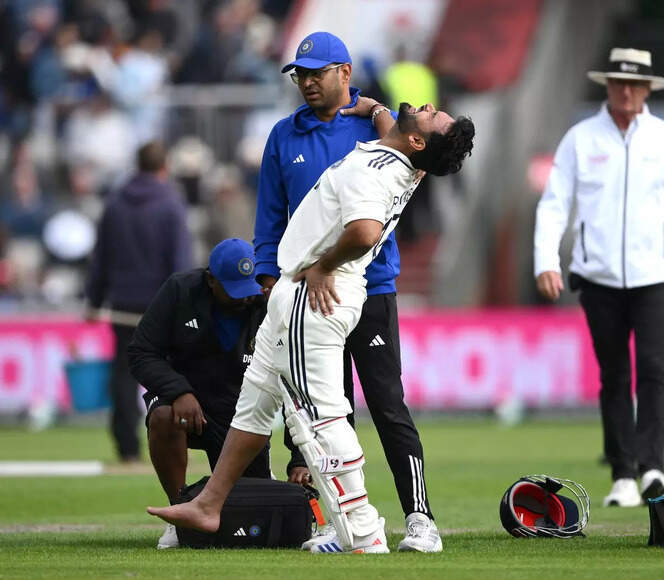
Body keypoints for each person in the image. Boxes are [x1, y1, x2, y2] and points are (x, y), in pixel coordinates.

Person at [147, 103, 475, 554]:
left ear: (417, 139)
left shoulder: (376, 171)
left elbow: (364, 231)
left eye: (433, 116)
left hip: (316, 294)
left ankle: (363, 531)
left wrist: (323, 265)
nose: (428, 106)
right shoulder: (403, 157)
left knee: (323, 417)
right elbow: (393, 130)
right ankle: (210, 503)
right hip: (302, 291)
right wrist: (375, 108)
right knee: (254, 405)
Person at [251, 30, 442, 552]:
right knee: (324, 412)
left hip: (371, 286)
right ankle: (340, 524)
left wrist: (377, 110)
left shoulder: (377, 125)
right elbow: (270, 217)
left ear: (345, 73)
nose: (307, 82)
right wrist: (269, 281)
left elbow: (415, 159)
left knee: (387, 404)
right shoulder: (283, 136)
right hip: (307, 293)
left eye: (318, 73)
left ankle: (420, 519)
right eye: (301, 75)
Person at [533, 48, 664, 507]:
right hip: (598, 277)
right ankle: (623, 475)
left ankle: (653, 467)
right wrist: (545, 261)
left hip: (655, 274)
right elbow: (554, 203)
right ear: (608, 85)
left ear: (648, 89)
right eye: (620, 82)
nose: (628, 91)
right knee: (614, 374)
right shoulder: (581, 139)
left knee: (653, 369)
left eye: (636, 84)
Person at [128, 238, 271, 550]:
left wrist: (298, 459)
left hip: (240, 413)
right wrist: (179, 391)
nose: (244, 298)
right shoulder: (179, 291)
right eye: (233, 290)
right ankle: (180, 512)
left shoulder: (265, 299)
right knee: (164, 415)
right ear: (210, 280)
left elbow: (293, 378)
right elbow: (141, 352)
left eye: (248, 289)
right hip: (186, 406)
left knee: (250, 518)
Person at [86, 141, 192, 463]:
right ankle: (174, 443)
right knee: (170, 374)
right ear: (165, 167)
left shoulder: (115, 203)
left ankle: (127, 447)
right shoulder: (171, 203)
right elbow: (180, 261)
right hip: (160, 306)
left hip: (122, 305)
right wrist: (185, 305)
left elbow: (100, 258)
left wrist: (94, 300)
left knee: (123, 373)